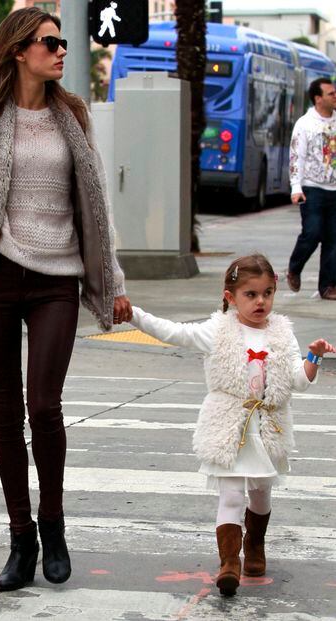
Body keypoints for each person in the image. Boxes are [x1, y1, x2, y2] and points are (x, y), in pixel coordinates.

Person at [0, 7, 132, 592]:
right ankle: (21, 538)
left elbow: (96, 207)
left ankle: (55, 524)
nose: (61, 50)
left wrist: (112, 281)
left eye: (64, 43)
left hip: (56, 280)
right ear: (20, 50)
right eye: (50, 42)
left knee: (44, 405)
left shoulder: (72, 115)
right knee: (4, 412)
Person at [127, 254, 335, 597]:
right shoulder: (218, 331)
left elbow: (297, 380)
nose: (261, 302)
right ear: (230, 297)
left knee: (261, 494)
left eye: (267, 293)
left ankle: (254, 543)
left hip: (267, 428)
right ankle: (229, 562)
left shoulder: (282, 333)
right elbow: (174, 332)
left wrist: (313, 358)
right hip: (229, 428)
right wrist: (134, 314)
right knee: (232, 494)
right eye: (251, 295)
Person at [287, 77, 336, 300]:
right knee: (312, 233)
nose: (335, 97)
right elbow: (297, 156)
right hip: (312, 188)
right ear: (318, 98)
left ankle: (328, 286)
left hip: (334, 189)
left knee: (333, 239)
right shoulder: (304, 124)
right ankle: (294, 268)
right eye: (331, 94)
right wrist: (296, 187)